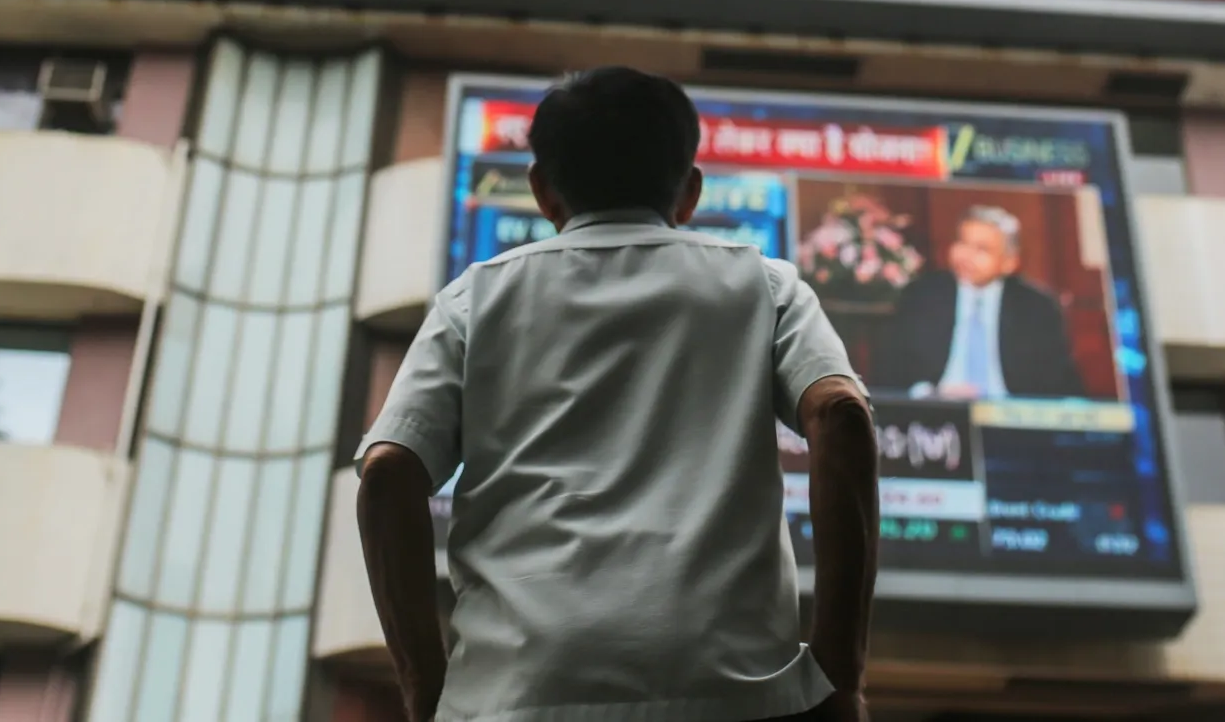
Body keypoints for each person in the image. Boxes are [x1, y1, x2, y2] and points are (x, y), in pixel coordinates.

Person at [357, 67, 880, 722]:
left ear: (543, 191)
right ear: (689, 191)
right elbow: (839, 411)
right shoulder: (762, 285)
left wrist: (426, 688)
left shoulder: (475, 299)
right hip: (735, 696)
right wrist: (840, 671)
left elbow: (387, 471)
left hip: (515, 695)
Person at [872, 206, 1086, 401]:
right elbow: (887, 370)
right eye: (962, 243)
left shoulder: (1037, 307)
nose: (966, 255)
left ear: (1009, 263)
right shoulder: (921, 295)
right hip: (936, 414)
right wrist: (928, 393)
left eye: (982, 249)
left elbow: (1060, 385)